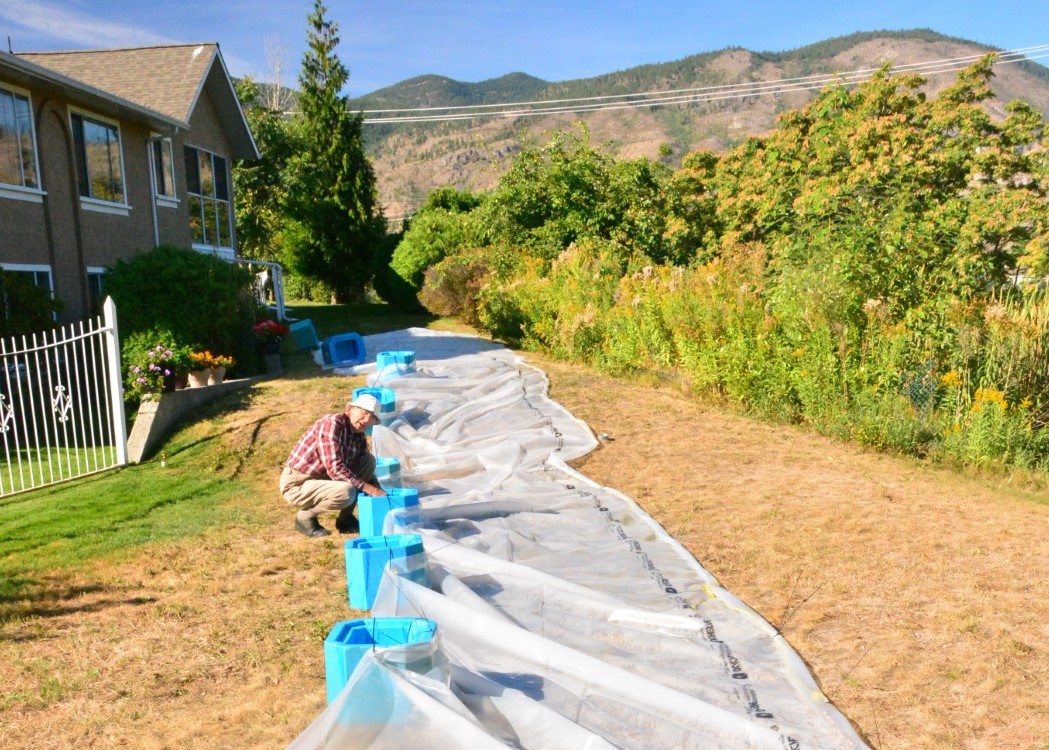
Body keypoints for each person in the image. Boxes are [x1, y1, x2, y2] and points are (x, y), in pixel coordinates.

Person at [279, 393, 387, 537]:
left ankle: (345, 519)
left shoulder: (358, 436)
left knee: (368, 461)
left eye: (372, 417)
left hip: (322, 479)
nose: (367, 419)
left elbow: (363, 472)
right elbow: (335, 468)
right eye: (365, 412)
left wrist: (379, 489)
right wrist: (371, 490)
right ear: (353, 409)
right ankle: (304, 518)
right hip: (298, 484)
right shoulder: (331, 424)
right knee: (346, 491)